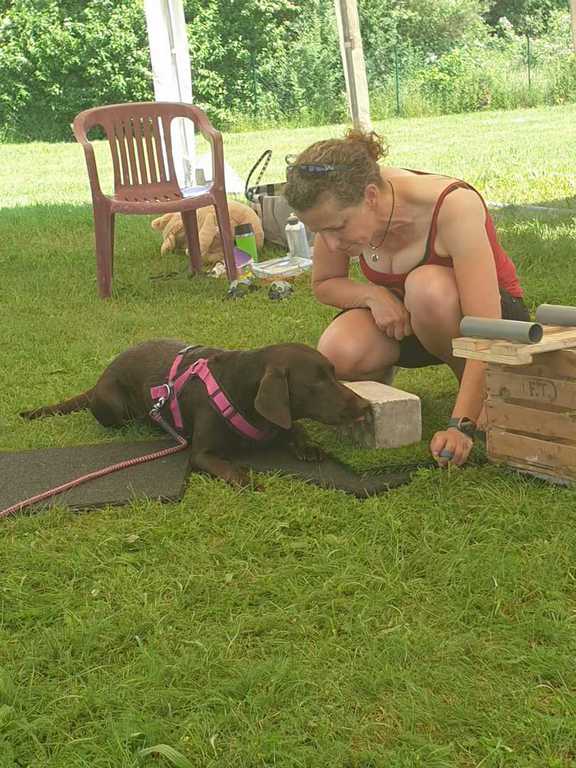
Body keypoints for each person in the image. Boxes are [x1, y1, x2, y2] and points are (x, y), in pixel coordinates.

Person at [283, 129, 529, 467]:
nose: (332, 244)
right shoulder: (337, 207)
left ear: (371, 196)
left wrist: (459, 426)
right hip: (413, 320)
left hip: (495, 323)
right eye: (319, 232)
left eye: (338, 228)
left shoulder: (452, 205)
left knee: (427, 287)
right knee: (338, 352)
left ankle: (482, 396)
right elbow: (325, 283)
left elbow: (487, 328)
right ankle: (407, 395)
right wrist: (372, 294)